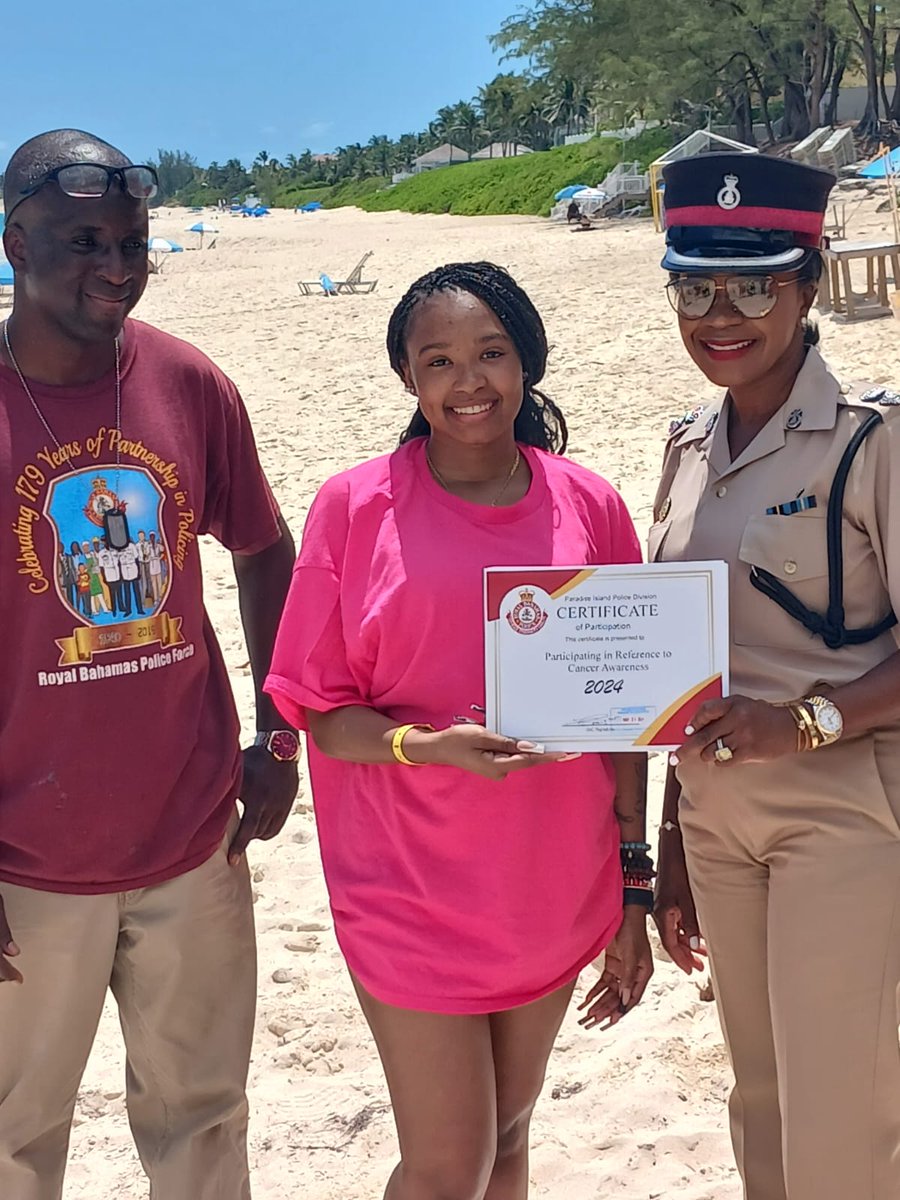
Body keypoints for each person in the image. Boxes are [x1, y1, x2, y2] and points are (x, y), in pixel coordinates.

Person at [265, 262, 654, 1200]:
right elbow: (317, 706)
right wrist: (421, 746)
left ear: (526, 364)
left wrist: (634, 881)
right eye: (438, 361)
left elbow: (630, 711)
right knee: (449, 1163)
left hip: (550, 874)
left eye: (490, 354)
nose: (468, 382)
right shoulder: (355, 506)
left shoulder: (588, 502)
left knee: (511, 1138)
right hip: (405, 880)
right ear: (407, 378)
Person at [0, 128, 300, 1200]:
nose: (118, 266)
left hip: (191, 838)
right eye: (86, 240)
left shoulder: (184, 380)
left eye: (133, 242)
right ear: (13, 241)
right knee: (13, 1140)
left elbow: (265, 548)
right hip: (24, 862)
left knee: (203, 1122)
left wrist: (278, 731)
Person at [650, 152, 900, 1200]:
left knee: (843, 1111)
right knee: (759, 1102)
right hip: (715, 819)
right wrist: (666, 843)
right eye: (694, 284)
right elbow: (677, 655)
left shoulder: (872, 442)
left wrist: (801, 724)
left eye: (755, 282)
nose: (723, 313)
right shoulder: (684, 447)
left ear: (807, 284)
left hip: (839, 808)